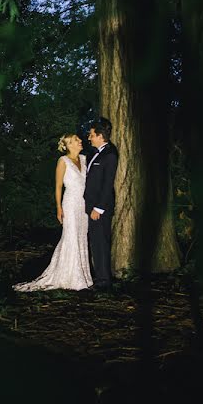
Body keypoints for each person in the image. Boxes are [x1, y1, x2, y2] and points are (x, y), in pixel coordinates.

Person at [13, 133, 93, 292]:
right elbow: (58, 187)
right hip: (70, 203)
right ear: (69, 145)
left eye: (79, 139)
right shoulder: (63, 161)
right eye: (76, 140)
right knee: (71, 236)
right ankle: (73, 278)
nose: (80, 141)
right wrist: (58, 208)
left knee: (81, 236)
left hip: (84, 205)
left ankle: (84, 275)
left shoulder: (84, 159)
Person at [84, 118, 118, 290]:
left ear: (99, 135)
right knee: (96, 243)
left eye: (91, 135)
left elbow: (107, 184)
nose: (89, 138)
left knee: (101, 243)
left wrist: (98, 208)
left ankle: (104, 282)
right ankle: (100, 278)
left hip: (100, 208)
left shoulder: (110, 154)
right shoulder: (93, 153)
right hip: (91, 206)